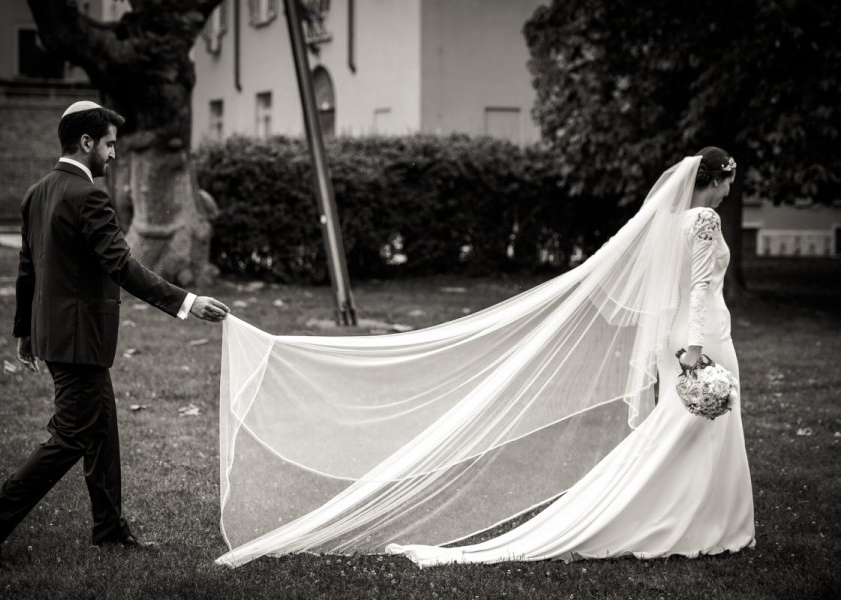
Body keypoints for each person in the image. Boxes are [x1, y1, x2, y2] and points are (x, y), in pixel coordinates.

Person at [213, 148, 754, 567]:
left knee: (685, 432)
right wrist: (697, 351)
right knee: (694, 431)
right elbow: (702, 289)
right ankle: (690, 520)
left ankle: (690, 516)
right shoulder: (703, 222)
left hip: (675, 339)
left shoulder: (663, 221)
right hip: (696, 340)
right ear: (717, 178)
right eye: (729, 181)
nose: (730, 191)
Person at [0, 101, 230, 569]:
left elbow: (28, 271)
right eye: (109, 144)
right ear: (86, 143)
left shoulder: (37, 192)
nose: (113, 155)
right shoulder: (88, 196)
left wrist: (25, 332)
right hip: (79, 338)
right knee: (71, 436)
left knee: (101, 433)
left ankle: (109, 528)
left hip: (59, 335)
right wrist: (186, 302)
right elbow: (120, 264)